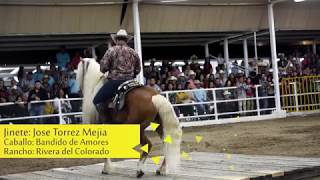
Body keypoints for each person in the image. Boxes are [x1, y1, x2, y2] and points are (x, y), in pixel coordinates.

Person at [93, 29, 141, 113]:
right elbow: (138, 70)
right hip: (130, 82)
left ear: (116, 40)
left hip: (115, 82)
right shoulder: (133, 52)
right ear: (126, 40)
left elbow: (103, 68)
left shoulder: (111, 50)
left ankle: (107, 121)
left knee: (97, 101)